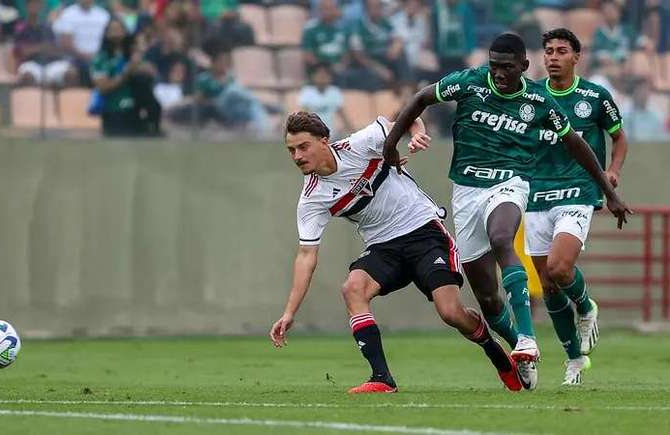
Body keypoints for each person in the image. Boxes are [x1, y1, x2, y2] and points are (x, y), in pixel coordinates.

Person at [382, 33, 631, 391]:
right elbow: (421, 97)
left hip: (512, 182)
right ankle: (518, 344)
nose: (499, 74)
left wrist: (609, 191)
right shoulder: (468, 82)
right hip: (466, 190)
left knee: (504, 238)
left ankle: (529, 339)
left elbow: (576, 144)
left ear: (523, 67)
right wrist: (392, 143)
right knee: (486, 296)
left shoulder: (537, 99)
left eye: (507, 68)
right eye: (494, 66)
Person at [270, 111, 523, 394]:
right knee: (353, 288)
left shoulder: (361, 144)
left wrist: (417, 133)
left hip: (424, 232)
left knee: (451, 313)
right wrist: (289, 312)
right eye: (291, 150)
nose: (297, 156)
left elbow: (408, 115)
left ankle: (493, 350)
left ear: (324, 141)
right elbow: (306, 256)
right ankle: (382, 378)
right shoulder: (312, 198)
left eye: (303, 147)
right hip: (383, 247)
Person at [529, 28, 630, 385]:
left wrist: (612, 172)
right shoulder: (532, 95)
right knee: (548, 285)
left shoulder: (595, 97)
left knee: (559, 267)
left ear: (576, 57)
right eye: (548, 51)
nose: (553, 57)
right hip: (535, 194)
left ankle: (586, 307)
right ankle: (574, 359)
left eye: (560, 51)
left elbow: (619, 137)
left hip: (579, 191)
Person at [91, 17, 163, 137]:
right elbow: (103, 87)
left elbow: (152, 73)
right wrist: (126, 72)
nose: (116, 34)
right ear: (106, 34)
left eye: (119, 30)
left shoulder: (132, 55)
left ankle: (153, 123)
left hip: (134, 111)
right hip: (114, 112)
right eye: (112, 30)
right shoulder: (101, 59)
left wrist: (142, 66)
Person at [14, 0, 78, 87]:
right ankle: (30, 100)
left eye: (37, 4)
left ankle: (68, 100)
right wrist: (40, 48)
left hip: (50, 64)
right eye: (32, 4)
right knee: (27, 76)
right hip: (31, 64)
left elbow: (54, 49)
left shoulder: (47, 27)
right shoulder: (21, 28)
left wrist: (42, 49)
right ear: (27, 6)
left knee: (70, 74)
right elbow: (21, 52)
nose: (35, 7)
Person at [297, 63, 353, 137]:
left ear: (330, 77)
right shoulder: (307, 92)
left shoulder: (335, 92)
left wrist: (351, 129)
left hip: (330, 133)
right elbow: (304, 114)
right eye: (319, 75)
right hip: (312, 133)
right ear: (313, 77)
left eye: (325, 75)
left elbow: (341, 113)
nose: (322, 77)